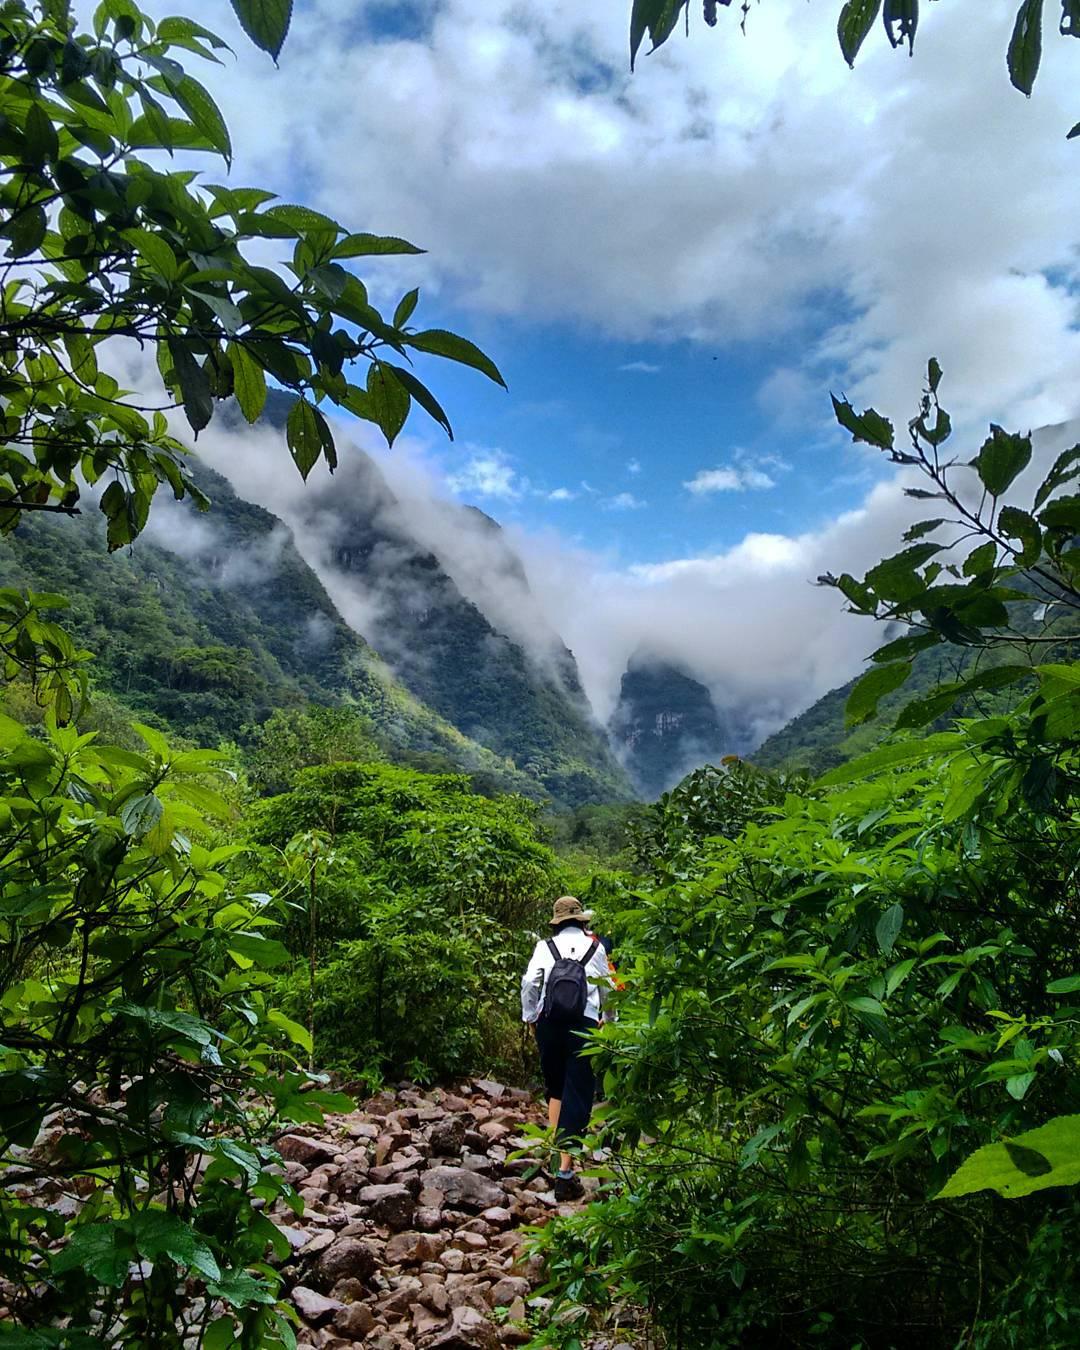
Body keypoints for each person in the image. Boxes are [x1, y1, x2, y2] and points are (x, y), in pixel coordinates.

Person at [520, 895, 611, 1201]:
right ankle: (565, 1173)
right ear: (581, 920)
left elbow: (530, 982)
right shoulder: (596, 948)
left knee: (556, 1089)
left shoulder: (544, 947)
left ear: (557, 922)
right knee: (578, 1093)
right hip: (584, 1026)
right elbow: (608, 988)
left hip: (550, 1024)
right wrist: (606, 1021)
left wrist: (530, 1016)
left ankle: (556, 1157)